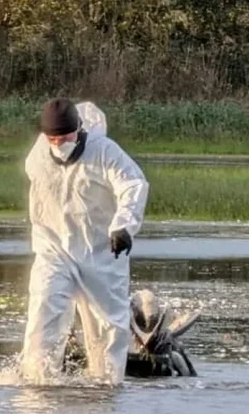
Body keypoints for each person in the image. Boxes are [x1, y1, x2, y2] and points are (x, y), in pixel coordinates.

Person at [18, 98, 150, 385]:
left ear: (78, 129)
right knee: (43, 310)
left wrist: (123, 226)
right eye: (52, 138)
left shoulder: (105, 152)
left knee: (107, 327)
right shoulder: (38, 155)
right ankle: (37, 385)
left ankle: (104, 388)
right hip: (53, 248)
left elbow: (133, 185)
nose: (59, 143)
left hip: (101, 253)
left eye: (64, 137)